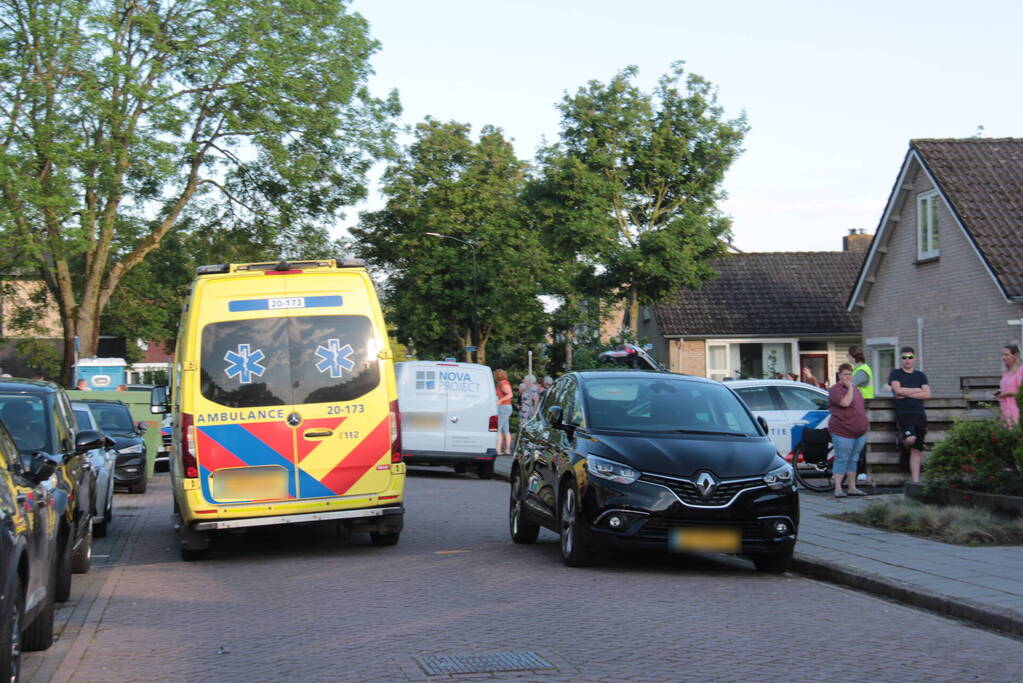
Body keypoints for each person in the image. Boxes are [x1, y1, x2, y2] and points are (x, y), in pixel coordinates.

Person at [887, 346, 931, 483]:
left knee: (917, 449)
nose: (907, 360)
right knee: (910, 439)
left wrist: (907, 393)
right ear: (900, 359)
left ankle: (915, 482)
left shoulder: (920, 375)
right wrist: (917, 390)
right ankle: (903, 444)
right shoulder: (895, 374)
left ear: (915, 359)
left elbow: (927, 394)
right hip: (904, 413)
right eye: (904, 357)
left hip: (919, 414)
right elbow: (897, 391)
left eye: (910, 357)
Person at [828, 363, 869, 497]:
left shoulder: (856, 389)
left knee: (854, 459)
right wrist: (850, 387)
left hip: (859, 431)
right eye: (845, 374)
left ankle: (852, 487)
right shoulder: (835, 389)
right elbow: (845, 403)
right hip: (842, 431)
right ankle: (838, 488)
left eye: (850, 374)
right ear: (839, 375)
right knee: (842, 458)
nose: (848, 377)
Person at [848, 346, 874, 483]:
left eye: (848, 355)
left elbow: (849, 385)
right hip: (859, 409)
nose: (847, 358)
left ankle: (862, 470)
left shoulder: (862, 371)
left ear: (853, 357)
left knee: (861, 441)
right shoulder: (859, 369)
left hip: (862, 408)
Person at [996, 343, 1023, 425]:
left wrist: (1006, 393)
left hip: (1016, 410)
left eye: (1006, 355)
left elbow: (1021, 392)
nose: (1003, 357)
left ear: (1015, 356)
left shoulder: (1021, 370)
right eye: (1002, 355)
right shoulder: (1006, 373)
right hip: (1004, 410)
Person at [493, 369, 513, 455]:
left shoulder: (503, 383)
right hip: (505, 407)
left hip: (503, 407)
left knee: (498, 428)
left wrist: (500, 401)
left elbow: (510, 394)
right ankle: (507, 450)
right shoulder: (503, 383)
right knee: (505, 429)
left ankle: (498, 449)